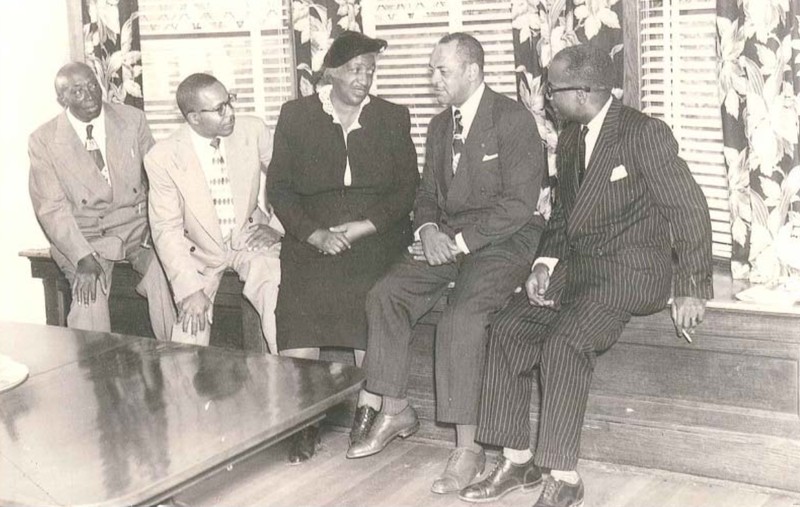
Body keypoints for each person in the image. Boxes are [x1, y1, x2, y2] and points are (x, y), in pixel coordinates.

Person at [459, 45, 713, 507]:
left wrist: (691, 287)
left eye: (551, 91)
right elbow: (562, 219)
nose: (544, 100)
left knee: (564, 343)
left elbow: (689, 208)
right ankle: (518, 460)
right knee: (508, 327)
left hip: (628, 273)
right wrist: (543, 264)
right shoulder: (573, 137)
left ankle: (565, 478)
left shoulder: (643, 134)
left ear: (582, 91)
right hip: (577, 269)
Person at [346, 32, 547, 494]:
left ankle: (468, 448)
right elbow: (426, 196)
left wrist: (455, 242)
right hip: (447, 242)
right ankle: (394, 409)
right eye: (431, 69)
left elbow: (519, 206)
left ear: (473, 72)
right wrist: (428, 231)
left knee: (460, 319)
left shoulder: (513, 120)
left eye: (442, 70)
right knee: (386, 294)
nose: (433, 78)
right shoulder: (439, 126)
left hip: (502, 243)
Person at [267, 30, 419, 464]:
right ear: (331, 72)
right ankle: (304, 418)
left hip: (375, 232)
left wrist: (362, 227)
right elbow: (279, 188)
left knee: (371, 293)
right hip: (312, 230)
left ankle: (367, 411)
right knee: (299, 295)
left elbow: (407, 189)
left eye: (370, 70)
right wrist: (314, 234)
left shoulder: (393, 116)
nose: (364, 78)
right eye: (355, 69)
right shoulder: (296, 115)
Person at [29, 62, 175, 341]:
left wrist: (161, 232)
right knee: (89, 295)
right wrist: (82, 257)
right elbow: (51, 208)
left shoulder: (132, 120)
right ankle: (93, 374)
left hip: (136, 230)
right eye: (78, 91)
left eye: (93, 85)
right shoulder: (43, 140)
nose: (91, 95)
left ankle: (179, 359)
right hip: (84, 236)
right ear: (63, 99)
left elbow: (159, 181)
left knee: (166, 275)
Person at [144, 73, 282, 353]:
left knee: (278, 300)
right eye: (220, 109)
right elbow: (166, 229)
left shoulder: (253, 131)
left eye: (229, 101)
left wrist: (278, 226)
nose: (230, 112)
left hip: (250, 239)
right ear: (194, 118)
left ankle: (290, 384)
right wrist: (189, 290)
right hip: (198, 255)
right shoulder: (163, 157)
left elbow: (293, 181)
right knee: (187, 346)